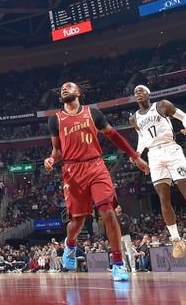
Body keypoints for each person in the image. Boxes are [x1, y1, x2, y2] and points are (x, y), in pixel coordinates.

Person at [44, 82, 150, 282]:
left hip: (96, 166)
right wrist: (51, 160)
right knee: (77, 222)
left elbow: (115, 136)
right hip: (72, 170)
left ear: (78, 92)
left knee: (108, 212)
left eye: (69, 86)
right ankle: (70, 244)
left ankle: (118, 264)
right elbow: (57, 152)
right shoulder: (55, 120)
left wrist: (135, 157)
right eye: (61, 89)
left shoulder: (93, 114)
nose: (64, 89)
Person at [130, 85, 186, 258]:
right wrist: (137, 153)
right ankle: (176, 240)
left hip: (171, 150)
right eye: (135, 92)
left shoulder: (162, 105)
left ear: (149, 94)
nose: (138, 93)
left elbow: (185, 117)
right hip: (153, 154)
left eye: (141, 91)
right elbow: (142, 138)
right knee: (163, 198)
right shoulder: (134, 118)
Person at [115, 206, 136, 272]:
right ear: (115, 210)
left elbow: (127, 225)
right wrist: (121, 224)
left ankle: (133, 267)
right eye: (117, 208)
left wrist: (119, 225)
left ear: (121, 209)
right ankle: (125, 267)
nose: (118, 209)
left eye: (119, 208)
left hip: (126, 235)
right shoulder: (114, 217)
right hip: (118, 236)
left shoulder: (125, 216)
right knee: (122, 252)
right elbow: (114, 227)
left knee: (129, 251)